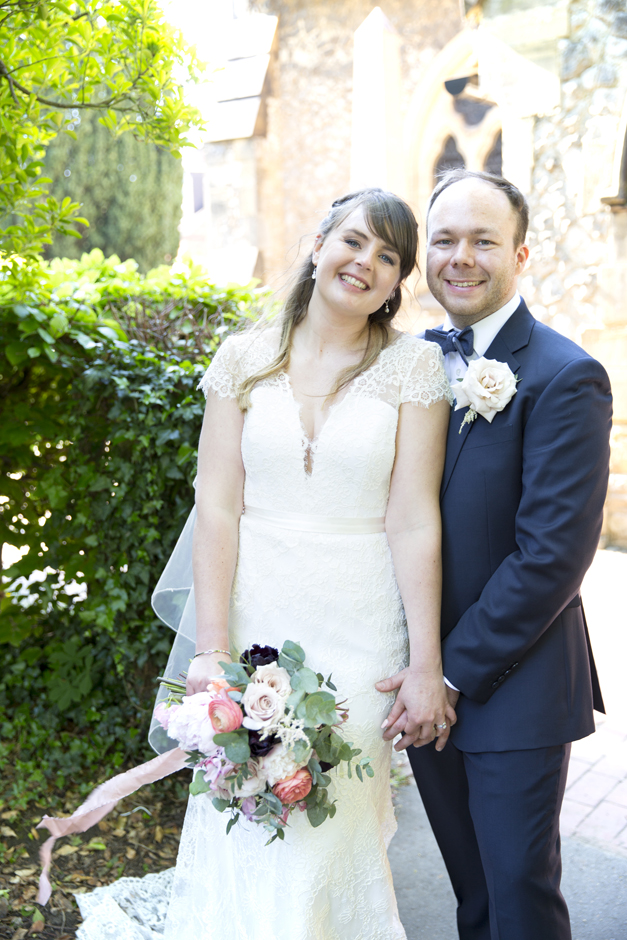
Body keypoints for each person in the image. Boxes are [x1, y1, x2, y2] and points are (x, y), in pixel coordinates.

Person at [71, 188, 456, 940]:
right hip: (256, 624)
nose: (364, 263)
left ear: (395, 283)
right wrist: (212, 649)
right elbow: (216, 506)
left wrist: (423, 662)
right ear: (318, 245)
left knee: (330, 825)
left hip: (361, 631)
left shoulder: (414, 369)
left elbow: (413, 520)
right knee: (241, 820)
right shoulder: (241, 359)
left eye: (387, 257)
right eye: (353, 242)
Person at [376, 169, 612, 940]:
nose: (461, 257)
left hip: (512, 685)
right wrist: (417, 670)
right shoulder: (409, 363)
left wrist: (443, 674)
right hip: (423, 680)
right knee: (471, 897)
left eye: (483, 239)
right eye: (443, 239)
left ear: (521, 254)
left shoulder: (564, 375)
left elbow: (550, 557)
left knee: (518, 902)